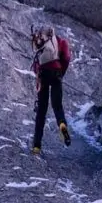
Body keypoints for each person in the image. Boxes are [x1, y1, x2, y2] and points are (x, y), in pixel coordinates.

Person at [30, 24, 71, 154]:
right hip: (56, 73)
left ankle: (36, 146)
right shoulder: (60, 41)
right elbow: (66, 58)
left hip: (43, 74)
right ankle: (62, 125)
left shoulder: (40, 45)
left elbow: (37, 65)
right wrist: (60, 73)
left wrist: (39, 82)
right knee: (57, 105)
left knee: (41, 111)